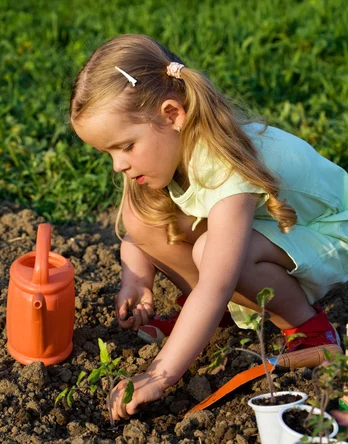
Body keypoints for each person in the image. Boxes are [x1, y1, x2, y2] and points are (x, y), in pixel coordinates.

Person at [69, 34, 348, 420]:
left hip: (329, 231)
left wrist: (159, 375)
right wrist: (137, 282)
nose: (118, 164)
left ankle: (309, 328)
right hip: (277, 229)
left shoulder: (224, 164)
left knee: (214, 255)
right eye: (109, 152)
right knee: (141, 215)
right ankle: (209, 318)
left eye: (126, 146)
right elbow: (138, 232)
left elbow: (217, 279)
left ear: (171, 115)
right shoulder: (167, 148)